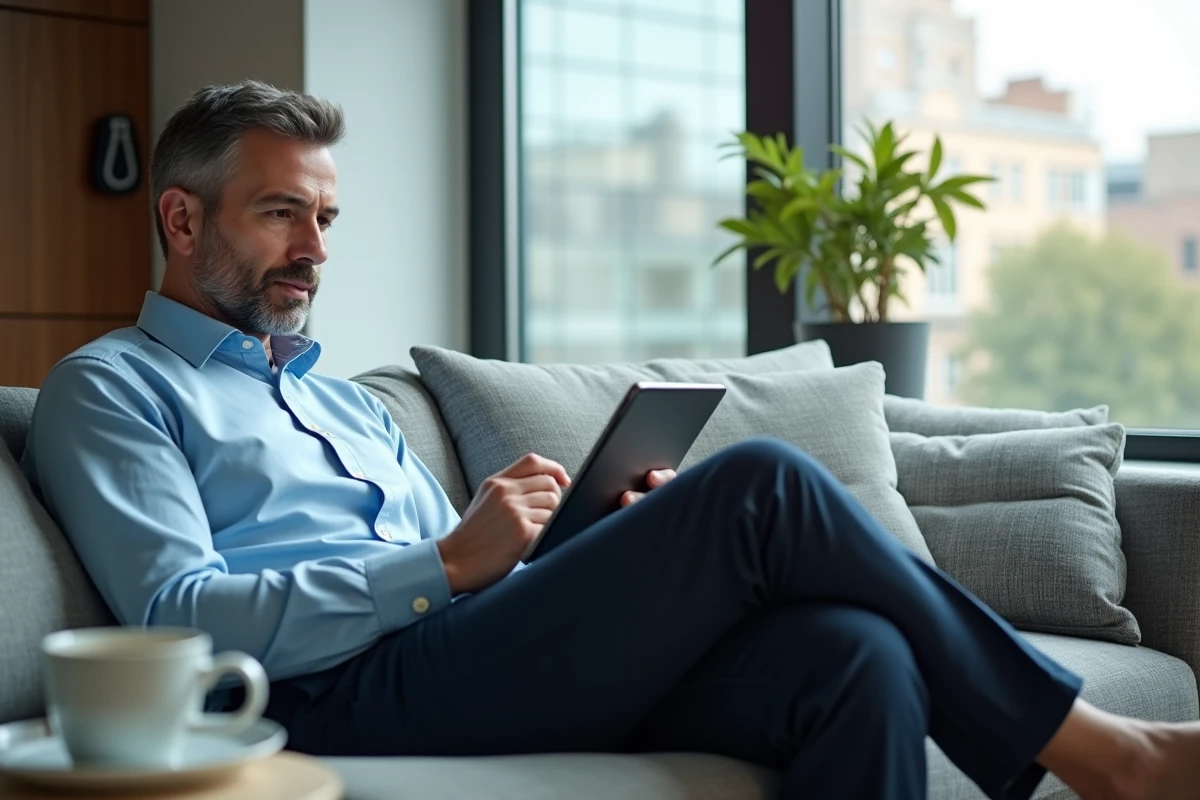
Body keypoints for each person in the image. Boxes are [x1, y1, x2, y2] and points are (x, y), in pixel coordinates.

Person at [20, 81, 1200, 800]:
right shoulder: (112, 388)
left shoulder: (347, 400)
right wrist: (439, 566)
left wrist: (565, 553)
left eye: (325, 217)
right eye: (282, 213)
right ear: (182, 217)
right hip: (324, 693)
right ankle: (1100, 752)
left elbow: (483, 589)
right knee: (760, 488)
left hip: (466, 653)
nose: (316, 249)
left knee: (854, 656)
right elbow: (179, 610)